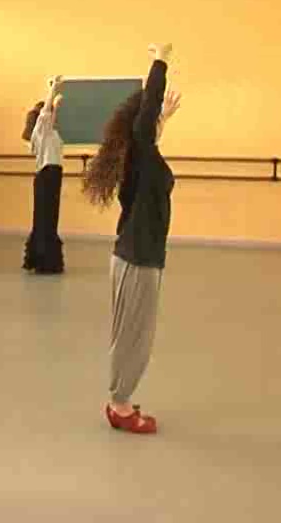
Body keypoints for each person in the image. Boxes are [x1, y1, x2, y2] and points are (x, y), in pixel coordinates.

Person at [82, 43, 181, 434]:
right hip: (138, 258)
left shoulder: (140, 154)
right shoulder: (140, 149)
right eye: (155, 116)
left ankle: (118, 397)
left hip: (133, 254)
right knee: (136, 336)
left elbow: (148, 135)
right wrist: (161, 63)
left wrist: (163, 119)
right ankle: (120, 407)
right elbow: (145, 127)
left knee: (130, 332)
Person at [22, 76, 65, 274]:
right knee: (45, 219)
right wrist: (52, 91)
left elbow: (50, 115)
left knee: (49, 218)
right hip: (47, 175)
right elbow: (46, 114)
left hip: (53, 176)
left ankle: (43, 257)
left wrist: (55, 104)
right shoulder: (40, 130)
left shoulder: (48, 131)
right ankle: (43, 260)